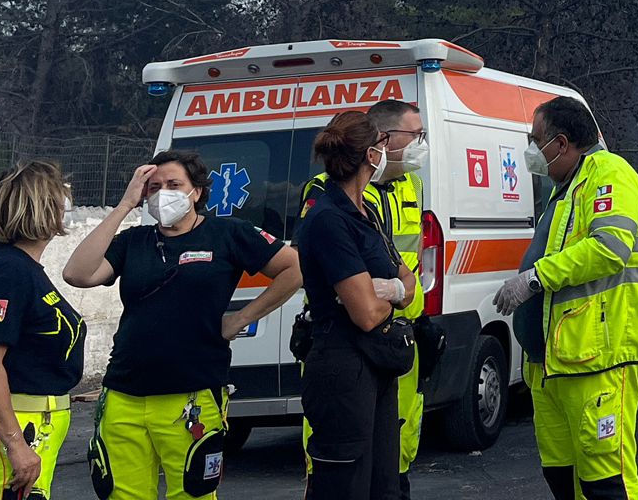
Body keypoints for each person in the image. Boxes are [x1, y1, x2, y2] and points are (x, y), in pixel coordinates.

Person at [63, 150, 302, 498]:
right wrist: (125, 205)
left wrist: (242, 318)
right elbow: (77, 274)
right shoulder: (134, 241)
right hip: (125, 394)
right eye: (154, 187)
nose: (164, 193)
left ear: (197, 191)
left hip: (192, 395)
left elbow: (293, 268)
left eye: (174, 184)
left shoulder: (227, 234)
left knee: (193, 494)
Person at [492, 96, 638, 500]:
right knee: (562, 477)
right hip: (557, 362)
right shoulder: (566, 187)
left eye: (535, 140)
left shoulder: (609, 174)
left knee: (605, 481)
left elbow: (609, 247)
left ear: (562, 142)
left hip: (600, 359)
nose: (531, 150)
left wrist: (535, 279)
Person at [297, 99, 428, 498]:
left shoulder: (364, 213)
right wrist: (390, 290)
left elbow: (406, 280)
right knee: (345, 486)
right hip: (343, 368)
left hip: (377, 366)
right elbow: (367, 313)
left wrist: (387, 288)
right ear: (373, 154)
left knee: (382, 485)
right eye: (383, 146)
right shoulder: (327, 217)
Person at [0, 161, 88, 499]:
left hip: (33, 426)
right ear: (41, 208)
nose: (66, 206)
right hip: (16, 430)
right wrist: (16, 444)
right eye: (61, 198)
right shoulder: (6, 272)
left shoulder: (21, 269)